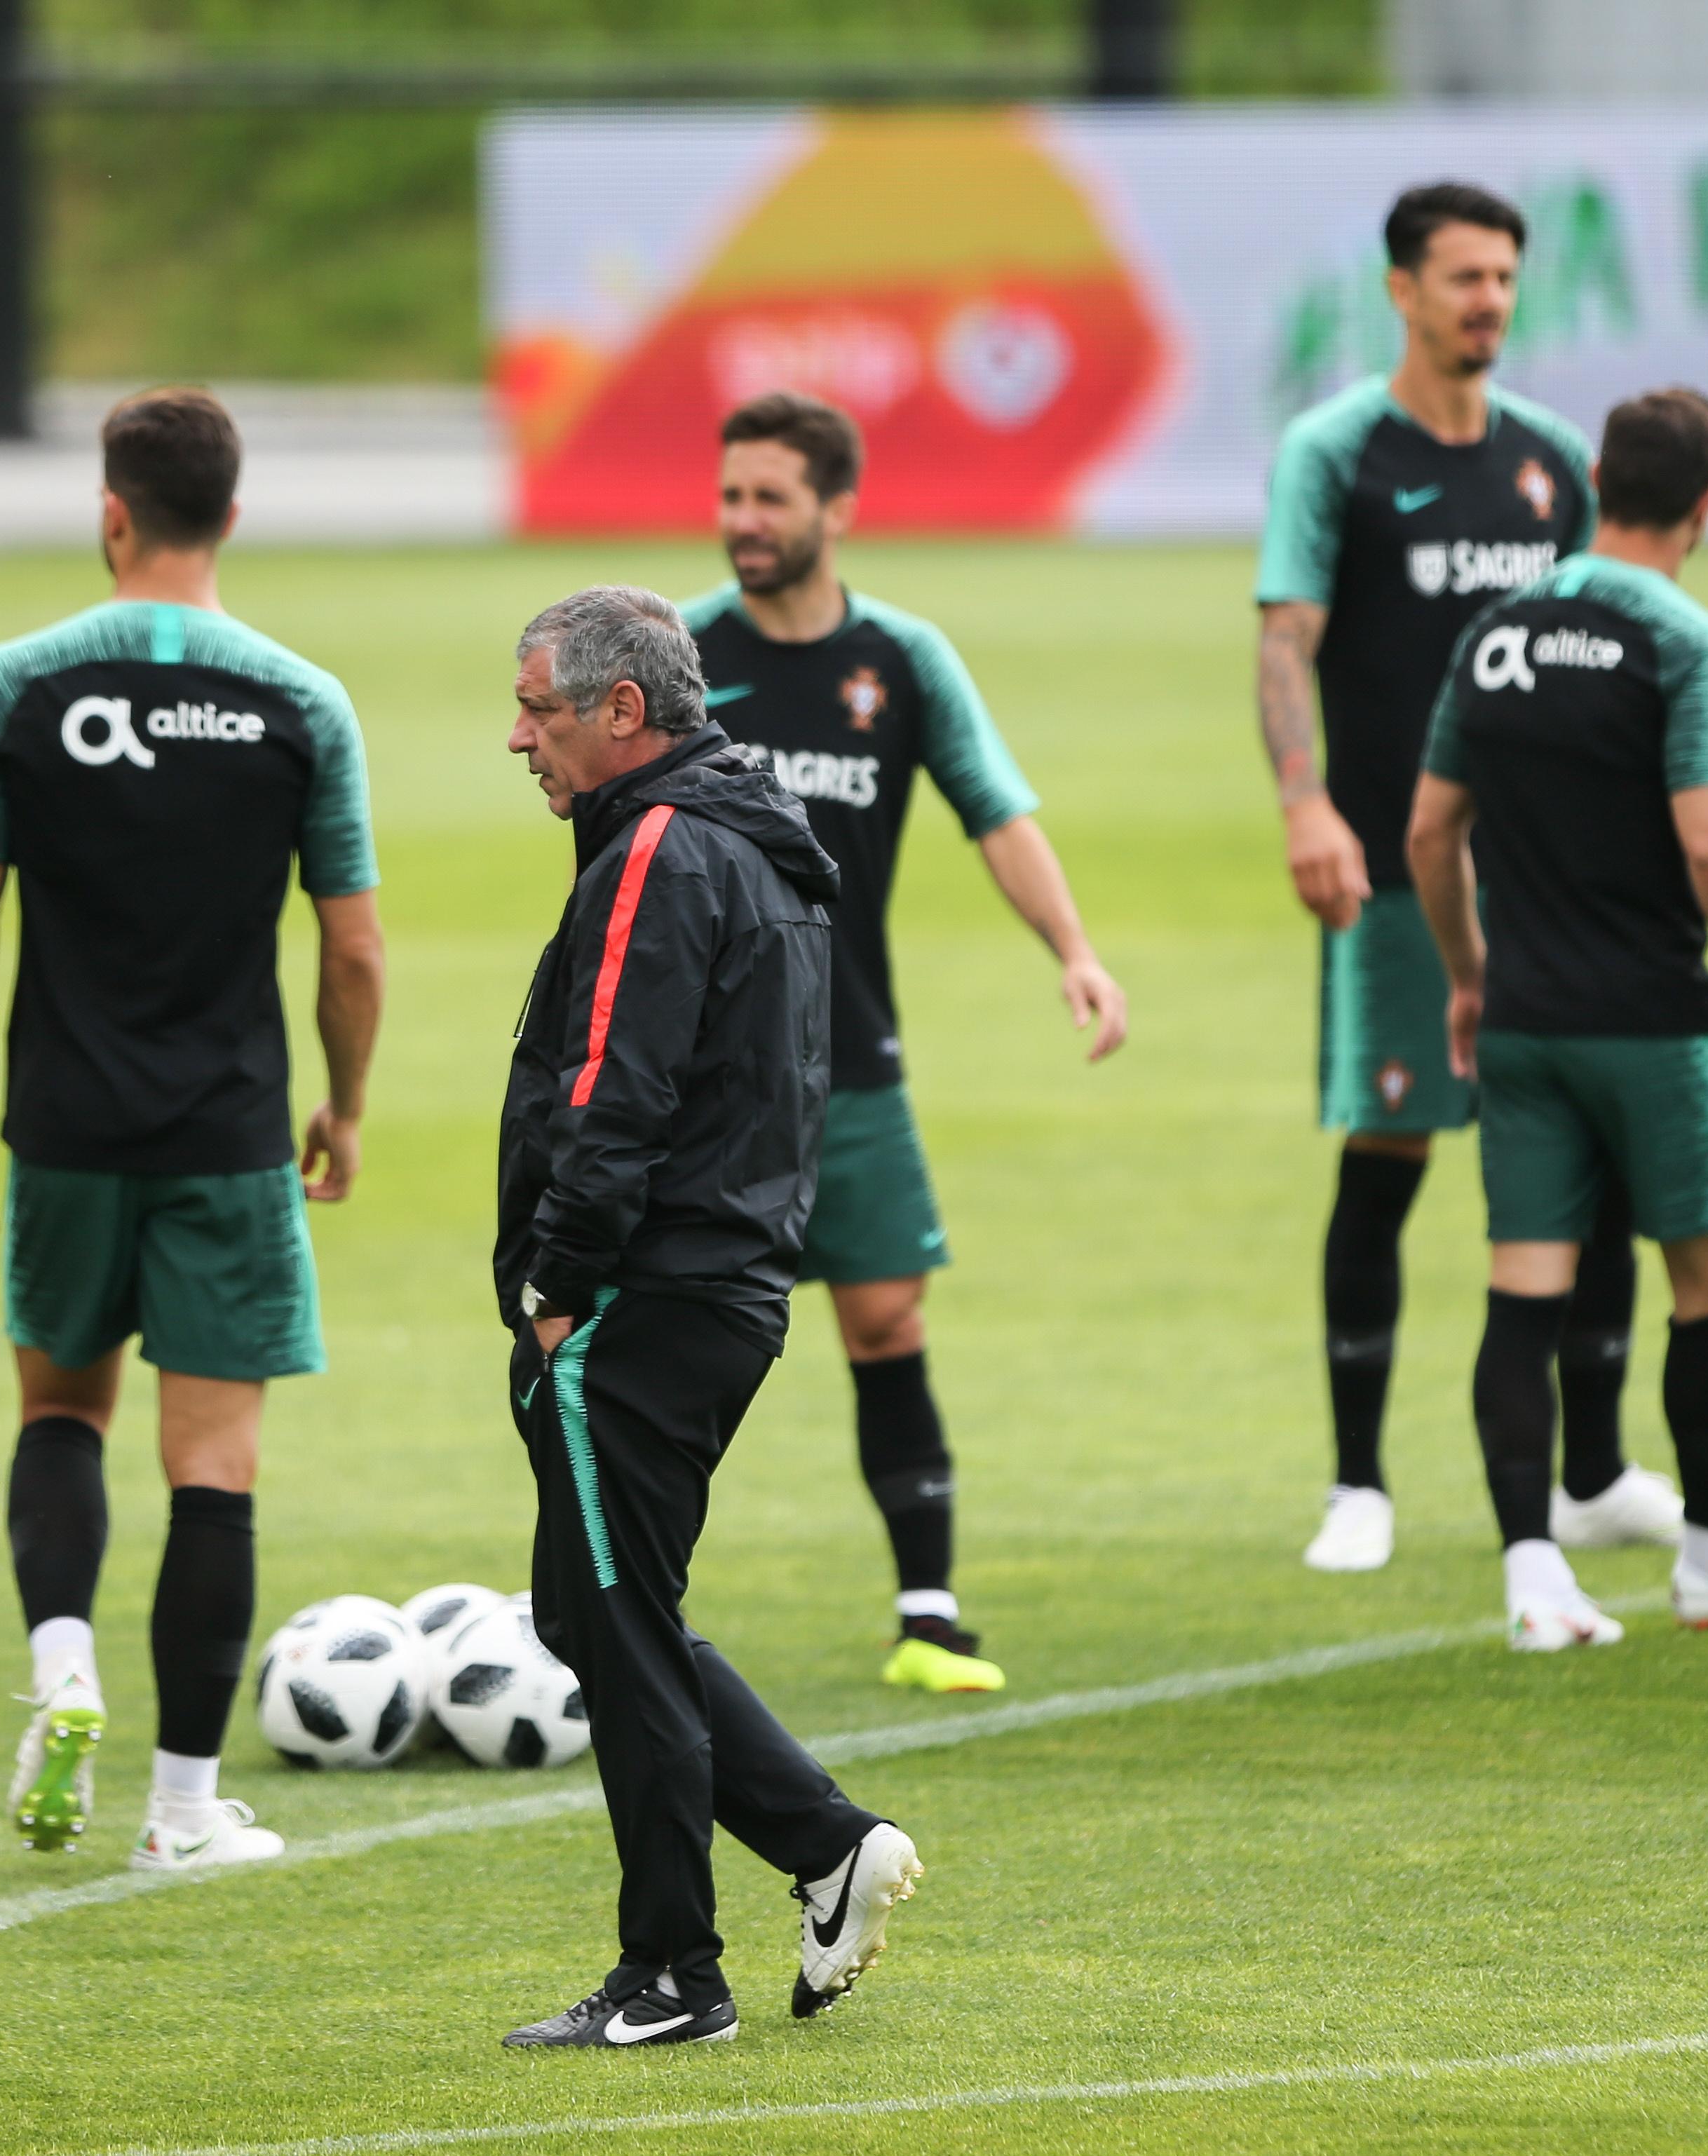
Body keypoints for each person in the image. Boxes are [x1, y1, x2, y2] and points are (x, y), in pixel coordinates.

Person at [0, 388, 384, 1869]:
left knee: (60, 1413)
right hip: (227, 1136)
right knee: (215, 1469)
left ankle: (63, 1658)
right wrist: (346, 1099)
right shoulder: (303, 702)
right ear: (230, 517)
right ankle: (183, 1807)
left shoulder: (16, 686)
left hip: (61, 1124)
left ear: (111, 514)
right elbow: (354, 945)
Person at [495, 585, 919, 2049]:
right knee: (596, 1606)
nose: (518, 738)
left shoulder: (664, 850)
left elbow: (614, 1090)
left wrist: (558, 1289)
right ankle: (823, 1844)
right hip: (717, 1280)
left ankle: (674, 1971)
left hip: (641, 1294)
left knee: (616, 1614)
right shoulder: (744, 836)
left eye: (538, 708)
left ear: (624, 711)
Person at [1258, 180, 1679, 1572]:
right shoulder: (1337, 452)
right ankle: (1358, 1483)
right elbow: (1286, 640)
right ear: (1402, 290)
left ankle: (1596, 1468)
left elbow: (1624, 627)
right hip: (1391, 868)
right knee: (1388, 1155)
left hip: (1554, 878)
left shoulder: (1554, 460)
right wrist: (1306, 799)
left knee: (1596, 1152)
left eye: (1504, 277)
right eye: (1462, 278)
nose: (1488, 299)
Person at [682, 392, 1125, 1695]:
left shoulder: (902, 661)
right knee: (679, 1335)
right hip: (699, 1073)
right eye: (730, 496)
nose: (741, 522)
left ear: (836, 509)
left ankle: (928, 1617)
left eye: (768, 498)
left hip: (843, 1056)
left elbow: (996, 811)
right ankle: (629, 1620)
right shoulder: (682, 656)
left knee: (883, 1319)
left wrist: (1076, 952)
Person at [1407, 390, 1708, 1649]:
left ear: (1597, 478)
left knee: (1522, 1293)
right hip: (1654, 1021)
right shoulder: (1684, 641)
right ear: (1705, 506)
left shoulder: (1493, 633)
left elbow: (1430, 832)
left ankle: (1533, 1583)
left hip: (1527, 1021)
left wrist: (1465, 974)